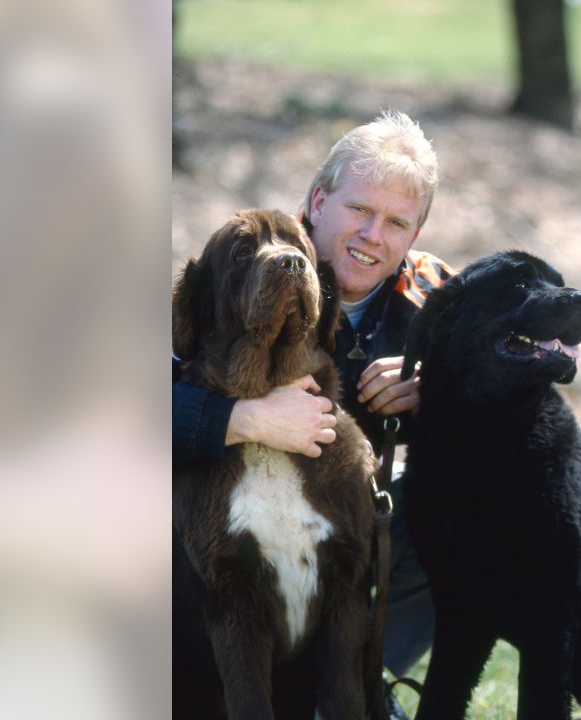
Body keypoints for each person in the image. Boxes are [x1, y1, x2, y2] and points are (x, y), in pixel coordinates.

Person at [173, 110, 452, 680]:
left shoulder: (438, 301)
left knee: (468, 514)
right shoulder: (237, 263)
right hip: (215, 534)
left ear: (415, 235)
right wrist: (244, 418)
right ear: (318, 202)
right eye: (359, 210)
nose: (374, 236)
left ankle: (361, 677)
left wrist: (436, 392)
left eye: (397, 223)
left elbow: (517, 421)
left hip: (347, 528)